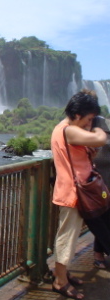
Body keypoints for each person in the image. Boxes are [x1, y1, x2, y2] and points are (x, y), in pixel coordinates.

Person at [50, 89, 106, 300]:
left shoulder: (65, 128)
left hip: (75, 191)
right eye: (88, 119)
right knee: (67, 238)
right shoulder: (68, 130)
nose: (89, 123)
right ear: (76, 115)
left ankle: (63, 273)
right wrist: (100, 127)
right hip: (73, 193)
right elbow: (99, 140)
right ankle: (60, 282)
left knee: (69, 237)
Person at [90, 115, 110, 269]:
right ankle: (98, 254)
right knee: (103, 220)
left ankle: (99, 254)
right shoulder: (98, 140)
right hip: (100, 187)